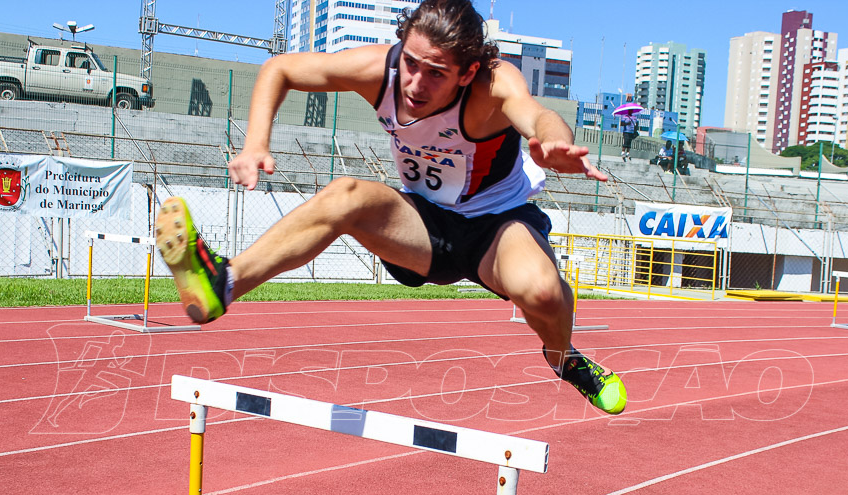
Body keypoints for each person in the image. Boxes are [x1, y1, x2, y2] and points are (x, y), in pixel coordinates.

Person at [155, 0, 626, 415]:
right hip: (422, 224)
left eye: (436, 73)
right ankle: (223, 281)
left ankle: (563, 357)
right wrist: (256, 142)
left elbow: (535, 113)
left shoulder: (492, 84)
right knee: (347, 195)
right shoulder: (380, 70)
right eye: (412, 64)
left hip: (496, 226)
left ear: (467, 73)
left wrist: (553, 144)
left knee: (543, 294)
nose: (415, 85)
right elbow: (279, 68)